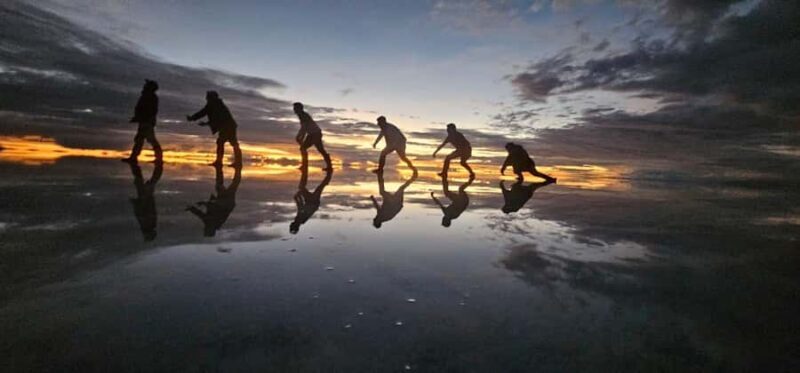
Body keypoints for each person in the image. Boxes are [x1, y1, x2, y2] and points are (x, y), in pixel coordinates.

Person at [187, 91, 242, 166]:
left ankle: (220, 162)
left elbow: (209, 115)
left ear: (211, 97)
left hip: (227, 126)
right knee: (232, 143)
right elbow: (205, 114)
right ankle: (237, 162)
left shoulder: (215, 104)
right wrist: (195, 119)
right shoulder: (216, 104)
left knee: (221, 142)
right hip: (229, 126)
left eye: (208, 97)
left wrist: (194, 119)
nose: (206, 98)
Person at [186, 163, 242, 237]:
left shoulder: (209, 223)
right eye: (206, 230)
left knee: (221, 185)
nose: (205, 229)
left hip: (222, 201)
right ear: (211, 230)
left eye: (205, 230)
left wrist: (192, 209)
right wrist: (204, 203)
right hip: (227, 202)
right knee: (232, 184)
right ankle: (237, 168)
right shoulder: (215, 222)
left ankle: (221, 168)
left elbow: (200, 214)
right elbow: (215, 208)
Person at [122, 79, 162, 163]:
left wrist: (141, 118)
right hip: (144, 121)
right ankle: (133, 158)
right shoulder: (147, 96)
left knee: (149, 139)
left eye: (146, 85)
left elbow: (150, 110)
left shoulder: (150, 97)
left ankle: (158, 159)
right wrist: (137, 117)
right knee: (139, 139)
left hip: (146, 122)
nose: (144, 86)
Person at [290, 167, 333, 234]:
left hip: (310, 202)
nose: (291, 224)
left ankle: (305, 172)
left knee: (303, 187)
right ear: (294, 225)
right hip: (313, 201)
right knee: (320, 187)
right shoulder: (300, 220)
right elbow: (300, 207)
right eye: (291, 226)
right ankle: (329, 173)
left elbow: (301, 206)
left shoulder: (300, 221)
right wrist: (297, 198)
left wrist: (298, 197)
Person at [127, 161, 162, 241]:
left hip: (145, 198)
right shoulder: (147, 225)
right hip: (145, 198)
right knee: (145, 181)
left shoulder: (149, 225)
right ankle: (158, 165)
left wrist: (136, 203)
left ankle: (134, 164)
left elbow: (143, 212)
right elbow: (142, 212)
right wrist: (136, 203)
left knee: (142, 181)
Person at [293, 102, 333, 171]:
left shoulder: (303, 115)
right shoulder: (301, 115)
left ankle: (305, 166)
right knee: (320, 150)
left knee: (304, 148)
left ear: (299, 109)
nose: (294, 110)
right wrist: (299, 136)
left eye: (295, 108)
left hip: (315, 134)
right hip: (313, 134)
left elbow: (304, 128)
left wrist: (300, 137)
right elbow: (303, 127)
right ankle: (329, 166)